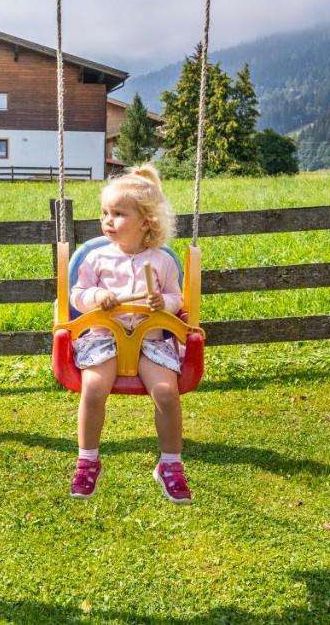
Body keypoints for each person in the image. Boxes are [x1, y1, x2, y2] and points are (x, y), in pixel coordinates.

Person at [68, 165, 192, 504]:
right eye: (104, 213)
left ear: (146, 221)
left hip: (149, 342)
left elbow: (176, 300)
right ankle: (88, 460)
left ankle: (170, 465)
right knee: (93, 388)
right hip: (104, 339)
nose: (108, 220)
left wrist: (160, 302)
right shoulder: (96, 258)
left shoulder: (162, 262)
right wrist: (96, 297)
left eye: (118, 214)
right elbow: (76, 294)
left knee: (167, 393)